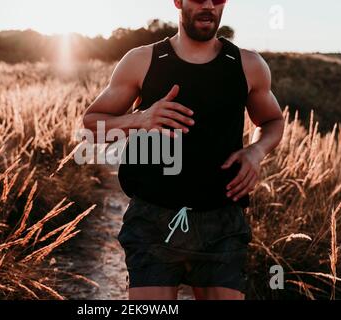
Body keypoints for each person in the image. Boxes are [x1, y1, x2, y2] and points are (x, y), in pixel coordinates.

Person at [83, 0, 284, 300]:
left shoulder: (248, 65)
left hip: (222, 220)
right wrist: (140, 119)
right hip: (152, 219)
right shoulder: (142, 60)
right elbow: (91, 126)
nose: (208, 6)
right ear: (177, 1)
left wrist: (256, 151)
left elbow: (272, 120)